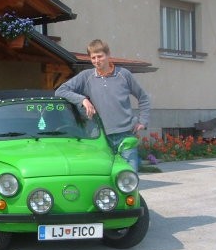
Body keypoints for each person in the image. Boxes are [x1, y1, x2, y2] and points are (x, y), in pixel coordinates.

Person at [55, 39, 150, 171]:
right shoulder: (86, 77)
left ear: (108, 54)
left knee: (129, 176)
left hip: (126, 135)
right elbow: (61, 91)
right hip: (100, 137)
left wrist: (143, 121)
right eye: (93, 58)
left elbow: (143, 98)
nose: (96, 60)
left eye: (100, 56)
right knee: (104, 176)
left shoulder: (124, 75)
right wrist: (83, 100)